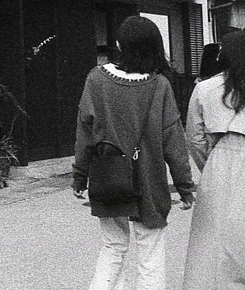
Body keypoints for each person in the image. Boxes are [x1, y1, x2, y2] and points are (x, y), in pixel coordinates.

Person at [72, 16, 195, 290]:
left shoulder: (96, 79)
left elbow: (84, 133)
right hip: (149, 180)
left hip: (109, 177)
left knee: (112, 247)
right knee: (150, 251)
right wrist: (185, 187)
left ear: (121, 45)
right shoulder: (160, 85)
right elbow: (173, 141)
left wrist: (80, 177)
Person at [182, 30, 245, 289]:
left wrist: (209, 166)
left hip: (221, 156)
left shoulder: (205, 88)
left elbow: (194, 138)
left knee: (214, 238)